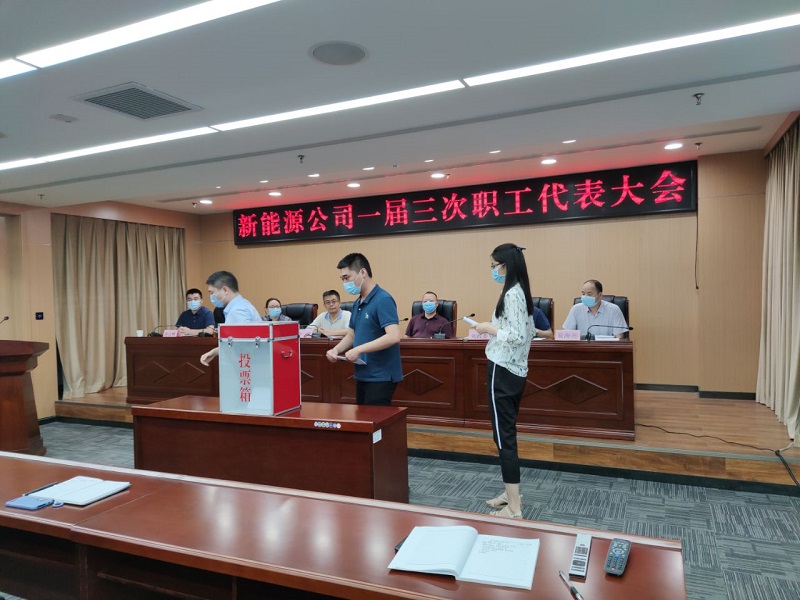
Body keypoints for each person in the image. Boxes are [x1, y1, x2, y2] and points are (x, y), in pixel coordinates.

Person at [473, 243, 535, 519]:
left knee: (504, 437)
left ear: (505, 265)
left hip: (503, 369)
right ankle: (511, 494)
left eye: (493, 266)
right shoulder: (520, 291)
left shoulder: (512, 294)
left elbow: (518, 336)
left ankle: (514, 508)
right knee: (505, 434)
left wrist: (489, 328)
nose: (492, 271)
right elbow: (524, 331)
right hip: (514, 370)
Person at [326, 253, 402, 406]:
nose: (345, 283)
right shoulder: (357, 303)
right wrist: (336, 349)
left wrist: (358, 349)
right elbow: (352, 335)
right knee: (363, 418)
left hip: (381, 376)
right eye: (342, 279)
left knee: (374, 419)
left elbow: (394, 336)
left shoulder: (383, 299)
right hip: (363, 374)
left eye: (347, 277)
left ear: (362, 272)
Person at [200, 271, 261, 365]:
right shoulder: (242, 304)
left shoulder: (237, 311)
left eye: (212, 293)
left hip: (245, 366)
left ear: (225, 290)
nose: (211, 297)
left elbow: (241, 347)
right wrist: (214, 352)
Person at [562, 279, 628, 339]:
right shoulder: (576, 309)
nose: (585, 297)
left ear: (600, 295)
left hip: (606, 347)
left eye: (589, 294)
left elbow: (619, 336)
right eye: (583, 294)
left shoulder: (613, 310)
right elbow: (567, 335)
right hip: (582, 347)